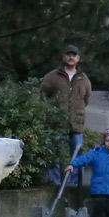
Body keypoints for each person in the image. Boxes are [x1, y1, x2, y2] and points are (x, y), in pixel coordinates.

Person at [40, 44, 92, 185]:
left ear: (78, 58)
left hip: (77, 125)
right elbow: (42, 96)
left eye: (74, 55)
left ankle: (74, 187)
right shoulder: (52, 77)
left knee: (77, 158)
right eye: (68, 54)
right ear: (63, 57)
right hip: (57, 124)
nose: (71, 57)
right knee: (57, 157)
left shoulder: (84, 79)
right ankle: (57, 186)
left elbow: (86, 98)